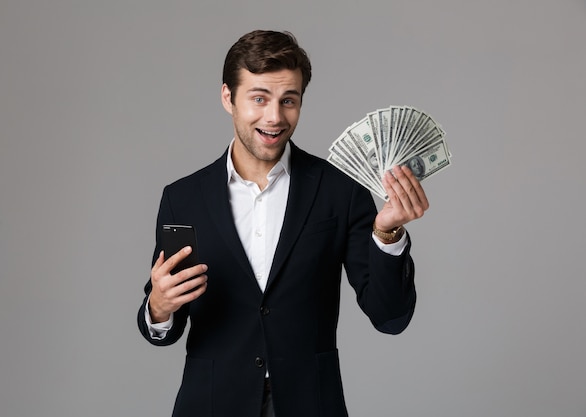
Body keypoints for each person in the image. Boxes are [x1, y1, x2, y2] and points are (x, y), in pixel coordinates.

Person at [137, 30, 429, 417]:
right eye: (259, 98)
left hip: (310, 403)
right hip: (210, 404)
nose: (275, 117)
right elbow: (163, 329)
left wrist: (387, 233)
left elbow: (390, 317)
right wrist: (158, 306)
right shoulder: (182, 199)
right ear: (228, 98)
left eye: (288, 101)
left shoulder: (340, 190)